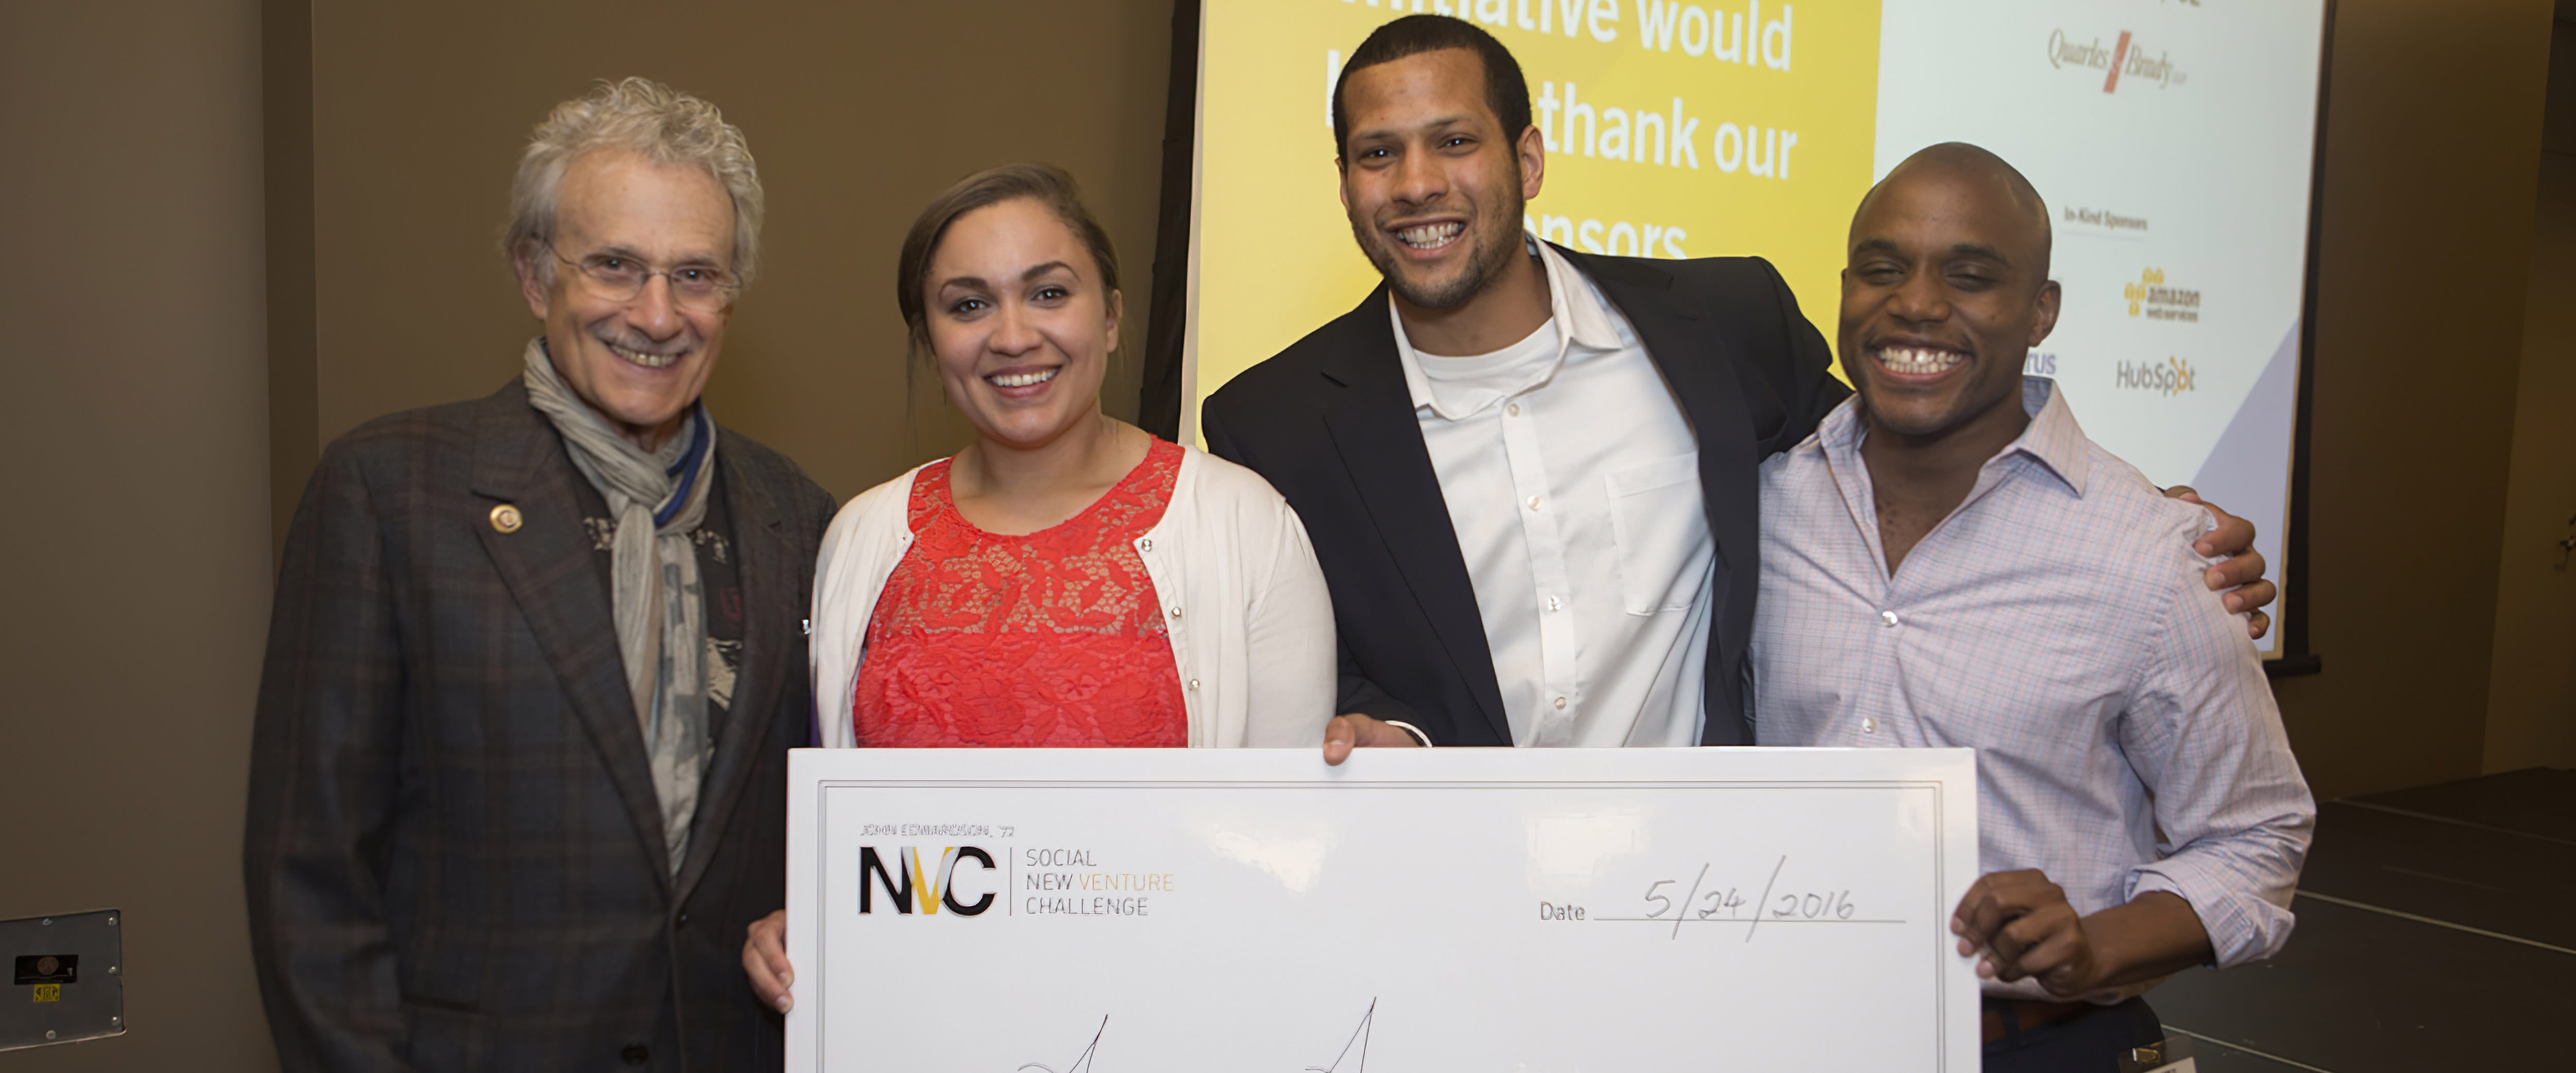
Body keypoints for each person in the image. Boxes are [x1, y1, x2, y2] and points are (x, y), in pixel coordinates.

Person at [1200, 15, 2276, 760]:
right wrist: (1400, 736)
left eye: (1453, 142)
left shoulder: (1720, 325)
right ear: (1343, 183)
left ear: (1526, 160)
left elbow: (1901, 461)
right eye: (1377, 154)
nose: (1417, 184)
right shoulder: (1272, 424)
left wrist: (2135, 523)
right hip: (1455, 903)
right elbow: (1302, 662)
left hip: (1715, 895)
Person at [244, 78, 836, 1071]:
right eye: (614, 266)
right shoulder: (390, 493)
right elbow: (310, 874)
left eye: (695, 275)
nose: (657, 314)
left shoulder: (799, 518)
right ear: (533, 274)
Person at [1751, 143, 2315, 1071]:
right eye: (1882, 269)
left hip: (2038, 1047)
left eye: (1970, 276)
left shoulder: (2151, 555)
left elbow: (2255, 840)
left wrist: (2095, 947)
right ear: (1845, 289)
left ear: (2041, 309)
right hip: (1777, 1036)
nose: (1917, 303)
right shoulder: (1762, 509)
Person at [738, 163, 1337, 1011]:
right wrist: (807, 921)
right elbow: (854, 851)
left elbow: (1293, 850)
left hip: (1165, 1026)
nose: (1013, 336)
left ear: (1112, 316)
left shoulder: (1244, 525)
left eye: (1049, 293)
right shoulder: (863, 539)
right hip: (915, 1026)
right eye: (968, 305)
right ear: (929, 340)